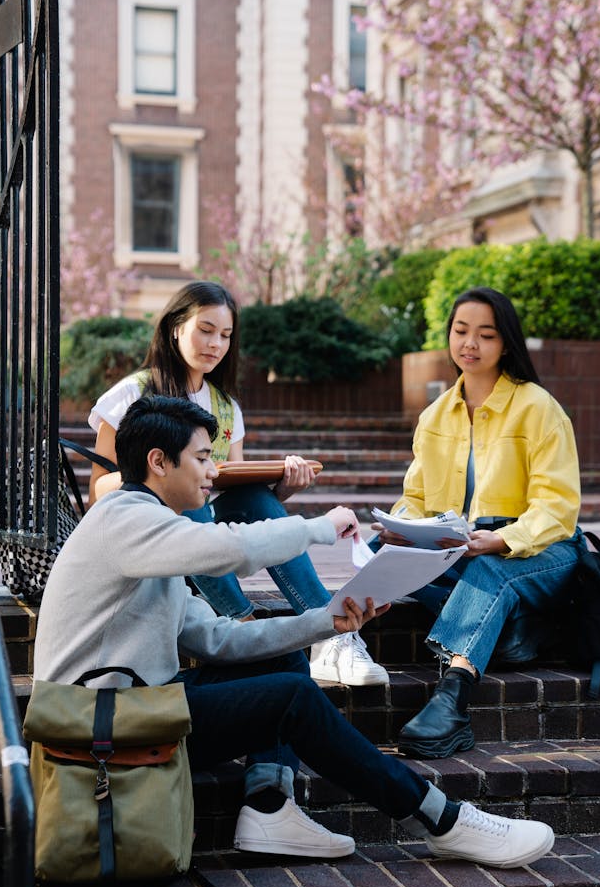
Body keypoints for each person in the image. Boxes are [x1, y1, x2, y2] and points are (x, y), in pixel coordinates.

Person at [33, 394, 555, 867]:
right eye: (201, 457)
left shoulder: (153, 536)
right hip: (96, 723)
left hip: (137, 708)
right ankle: (439, 818)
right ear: (157, 462)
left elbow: (219, 641)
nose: (213, 470)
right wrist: (317, 528)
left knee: (282, 659)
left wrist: (327, 620)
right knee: (292, 696)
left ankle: (268, 809)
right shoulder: (122, 518)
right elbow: (230, 551)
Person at [87, 280, 388, 687]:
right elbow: (99, 490)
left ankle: (335, 640)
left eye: (225, 336)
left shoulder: (226, 407)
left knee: (249, 495)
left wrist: (283, 488)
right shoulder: (133, 393)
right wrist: (169, 474)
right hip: (148, 535)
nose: (215, 344)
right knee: (190, 498)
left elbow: (230, 489)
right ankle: (239, 619)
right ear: (176, 328)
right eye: (205, 330)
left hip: (205, 538)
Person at [373, 287, 585, 760]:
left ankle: (453, 697)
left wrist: (504, 539)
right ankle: (509, 632)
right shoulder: (434, 415)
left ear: (505, 343)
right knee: (377, 550)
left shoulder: (538, 407)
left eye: (485, 335)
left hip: (541, 549)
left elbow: (557, 508)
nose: (470, 343)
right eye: (461, 331)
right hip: (466, 543)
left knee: (491, 572)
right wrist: (402, 526)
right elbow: (416, 498)